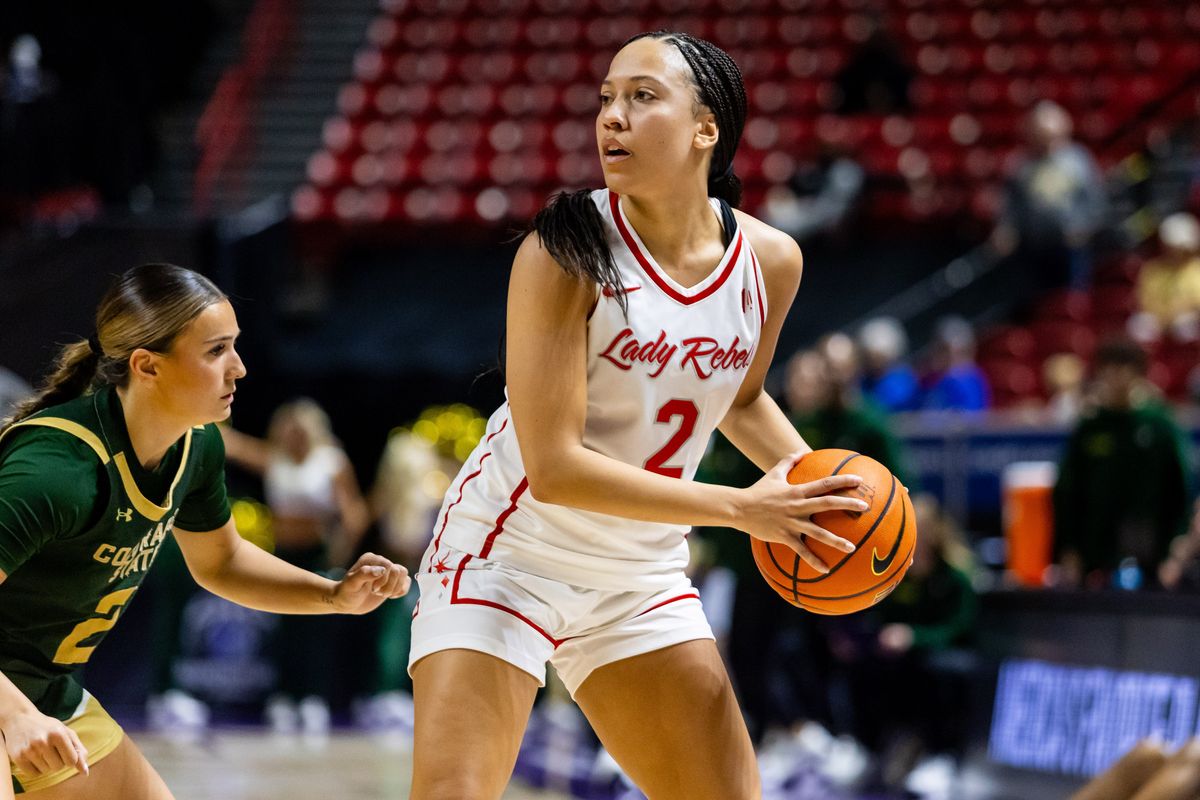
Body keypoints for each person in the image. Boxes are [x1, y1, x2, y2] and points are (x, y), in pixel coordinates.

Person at [407, 32, 868, 800]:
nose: (612, 118)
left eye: (642, 96)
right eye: (606, 99)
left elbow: (741, 399)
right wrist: (742, 508)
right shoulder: (565, 250)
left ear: (706, 128)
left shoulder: (770, 261)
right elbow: (553, 470)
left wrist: (825, 495)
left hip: (638, 577)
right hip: (508, 560)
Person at [0, 263, 410, 799]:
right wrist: (14, 719)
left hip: (45, 693)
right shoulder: (56, 470)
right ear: (148, 366)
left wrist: (333, 595)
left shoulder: (196, 447)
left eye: (235, 347)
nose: (239, 369)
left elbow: (221, 562)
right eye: (216, 351)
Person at [220, 398, 371, 733]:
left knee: (315, 629)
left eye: (301, 430)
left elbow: (354, 513)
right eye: (288, 430)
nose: (294, 437)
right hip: (283, 555)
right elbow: (235, 446)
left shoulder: (330, 461)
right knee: (283, 627)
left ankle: (313, 698)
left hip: (317, 554)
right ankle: (284, 698)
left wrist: (340, 553)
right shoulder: (275, 459)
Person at [1053, 338, 1192, 590]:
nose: (1117, 376)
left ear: (1139, 373)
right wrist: (1068, 549)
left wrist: (1174, 552)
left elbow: (1180, 490)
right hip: (1094, 554)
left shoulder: (1159, 425)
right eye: (1109, 368)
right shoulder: (1090, 427)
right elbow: (1068, 492)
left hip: (1151, 554)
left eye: (1124, 368)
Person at [991, 100, 1106, 293]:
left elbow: (1095, 200)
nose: (1047, 142)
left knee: (1072, 299)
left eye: (1051, 136)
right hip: (1032, 247)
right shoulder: (1021, 165)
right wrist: (1006, 229)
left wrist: (1084, 227)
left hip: (1071, 247)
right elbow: (1011, 204)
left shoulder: (1077, 161)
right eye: (1041, 135)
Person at [1129, 212, 1200, 344]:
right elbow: (1143, 300)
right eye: (1172, 246)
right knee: (1139, 326)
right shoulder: (1152, 269)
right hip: (1158, 319)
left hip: (1187, 321)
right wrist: (1164, 318)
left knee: (1186, 328)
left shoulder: (1197, 269)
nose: (1176, 251)